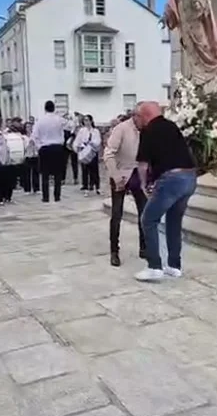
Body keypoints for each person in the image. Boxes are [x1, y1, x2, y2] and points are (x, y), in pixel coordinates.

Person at [134, 101, 196, 281]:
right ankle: (174, 266)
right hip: (189, 177)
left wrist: (144, 185)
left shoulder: (148, 130)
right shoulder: (171, 125)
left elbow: (143, 164)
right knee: (174, 221)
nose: (136, 120)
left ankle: (154, 266)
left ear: (145, 115)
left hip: (171, 180)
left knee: (148, 219)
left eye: (137, 116)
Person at [104, 114, 146, 266]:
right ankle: (114, 251)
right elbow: (108, 154)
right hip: (120, 172)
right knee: (117, 214)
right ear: (136, 116)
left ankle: (144, 247)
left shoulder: (147, 129)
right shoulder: (121, 129)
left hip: (138, 174)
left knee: (144, 211)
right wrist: (116, 177)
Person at [32, 101, 65, 203]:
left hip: (45, 148)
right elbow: (69, 127)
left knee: (45, 174)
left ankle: (45, 197)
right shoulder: (59, 119)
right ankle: (57, 196)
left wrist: (39, 147)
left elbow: (35, 136)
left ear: (45, 108)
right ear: (54, 108)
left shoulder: (40, 120)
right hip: (58, 147)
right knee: (58, 174)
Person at [74, 115, 102, 196]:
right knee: (85, 170)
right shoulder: (82, 131)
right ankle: (86, 187)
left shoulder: (95, 131)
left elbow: (98, 141)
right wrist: (78, 148)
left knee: (95, 170)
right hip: (84, 151)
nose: (86, 122)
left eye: (88, 120)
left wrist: (92, 143)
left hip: (92, 152)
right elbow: (78, 140)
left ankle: (97, 187)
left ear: (91, 121)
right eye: (85, 120)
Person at [22, 122, 40, 193]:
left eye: (30, 127)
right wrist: (29, 144)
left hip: (35, 155)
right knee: (27, 173)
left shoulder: (35, 136)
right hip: (27, 155)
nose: (29, 128)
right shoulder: (23, 137)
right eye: (27, 127)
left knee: (36, 172)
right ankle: (27, 189)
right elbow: (23, 147)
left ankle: (36, 188)